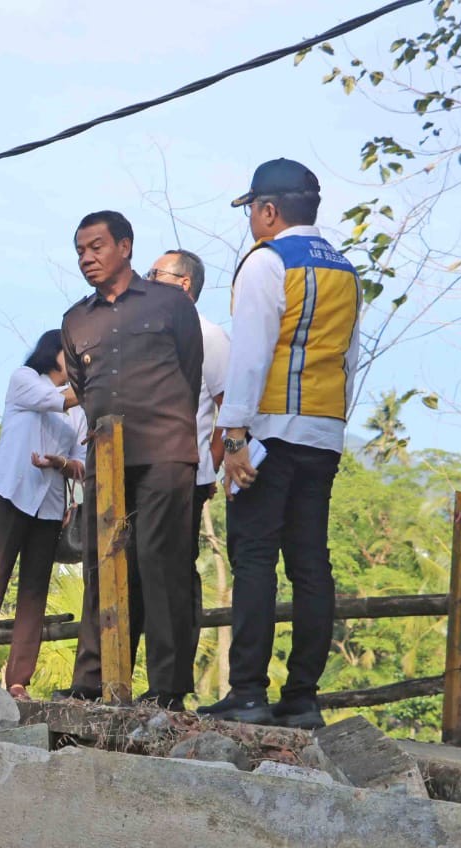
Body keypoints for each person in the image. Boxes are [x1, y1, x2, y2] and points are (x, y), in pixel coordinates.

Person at [200, 159, 361, 729]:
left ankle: (247, 692)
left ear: (267, 211)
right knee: (311, 566)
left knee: (254, 559)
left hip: (268, 432)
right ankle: (303, 701)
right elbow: (349, 356)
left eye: (251, 210)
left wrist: (236, 434)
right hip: (325, 433)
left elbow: (251, 353)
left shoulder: (268, 262)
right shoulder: (344, 270)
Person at [59, 210, 203, 710]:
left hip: (164, 451)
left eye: (96, 246)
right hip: (106, 455)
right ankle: (93, 681)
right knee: (102, 566)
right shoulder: (76, 319)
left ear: (125, 246)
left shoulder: (170, 304)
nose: (86, 258)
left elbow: (191, 369)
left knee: (162, 567)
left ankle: (167, 690)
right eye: (80, 250)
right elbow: (82, 385)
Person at [0, 331, 87, 699]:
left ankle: (18, 680)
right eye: (71, 354)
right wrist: (98, 386)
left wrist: (62, 463)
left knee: (34, 590)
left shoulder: (80, 410)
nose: (76, 362)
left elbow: (83, 462)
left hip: (48, 503)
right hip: (11, 492)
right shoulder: (25, 379)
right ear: (52, 352)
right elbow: (53, 402)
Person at [146, 249, 231, 611]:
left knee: (176, 575)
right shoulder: (145, 334)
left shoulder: (209, 336)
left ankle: (178, 664)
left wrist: (208, 465)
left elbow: (229, 408)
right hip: (140, 474)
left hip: (185, 479)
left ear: (184, 283)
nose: (146, 282)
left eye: (155, 274)